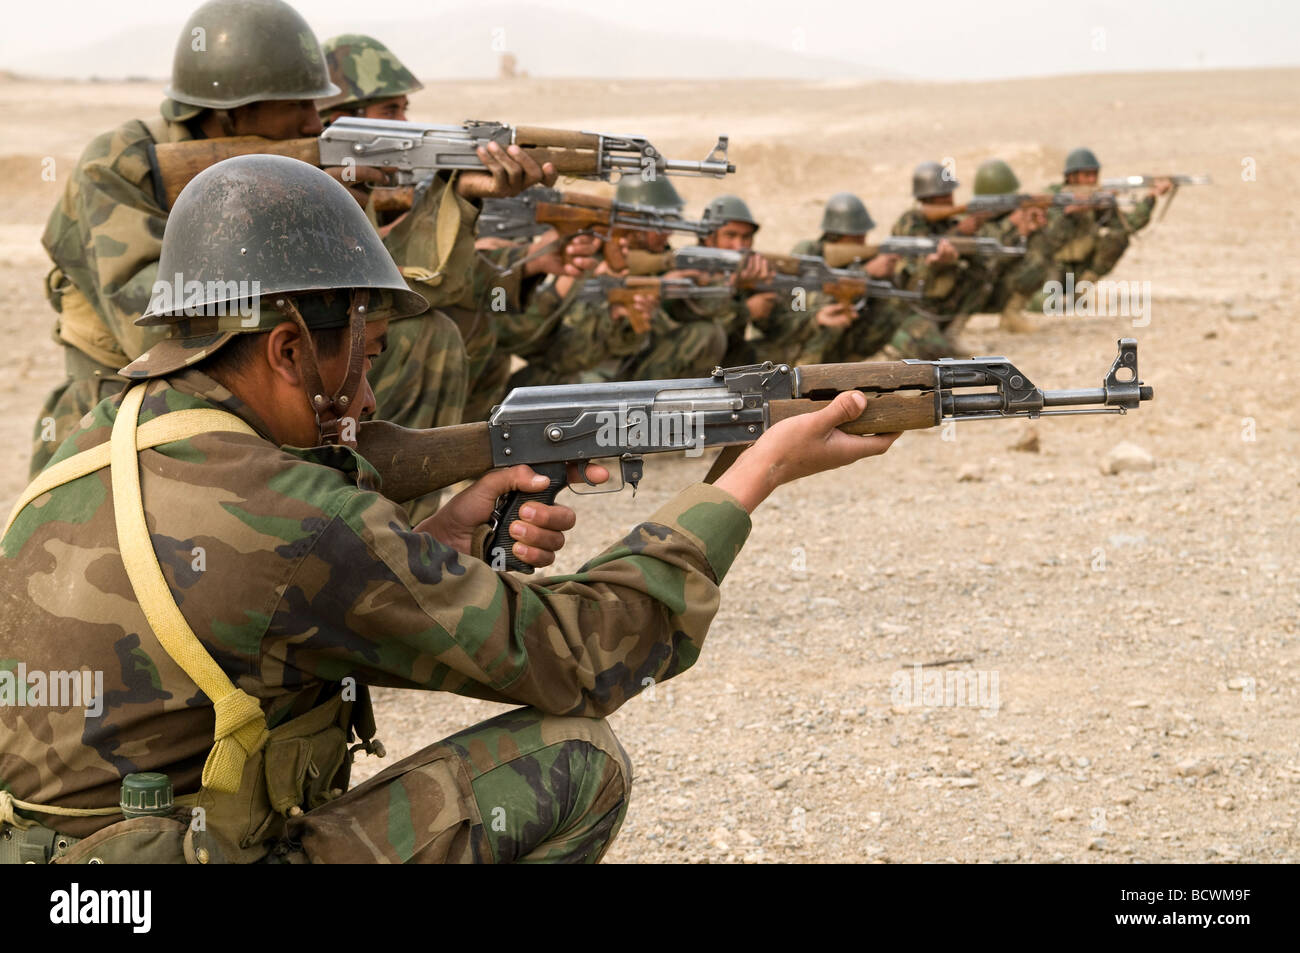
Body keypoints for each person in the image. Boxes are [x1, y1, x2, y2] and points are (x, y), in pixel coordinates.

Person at [0, 155, 900, 865]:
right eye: (365, 348)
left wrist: (426, 542)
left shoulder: (93, 442)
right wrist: (746, 479)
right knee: (577, 758)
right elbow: (578, 657)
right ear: (285, 350)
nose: (366, 387)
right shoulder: (294, 512)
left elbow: (248, 619)